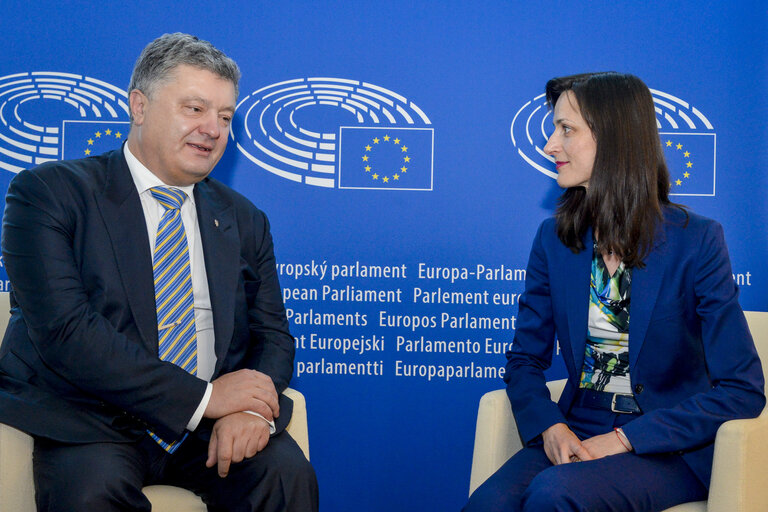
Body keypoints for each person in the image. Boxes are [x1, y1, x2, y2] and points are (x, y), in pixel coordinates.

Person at [0, 33, 318, 511]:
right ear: (140, 106)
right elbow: (66, 332)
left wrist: (249, 408)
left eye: (226, 117)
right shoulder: (49, 194)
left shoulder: (244, 218)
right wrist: (205, 399)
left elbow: (272, 335)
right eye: (195, 109)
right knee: (89, 494)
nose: (213, 129)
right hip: (92, 419)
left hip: (211, 425)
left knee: (286, 475)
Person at [464, 72, 765, 512]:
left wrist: (626, 438)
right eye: (553, 129)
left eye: (566, 129)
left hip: (664, 445)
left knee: (556, 495)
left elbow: (742, 389)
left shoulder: (695, 241)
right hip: (576, 424)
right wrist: (551, 427)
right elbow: (525, 361)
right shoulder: (554, 239)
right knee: (488, 505)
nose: (550, 145)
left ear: (614, 140)